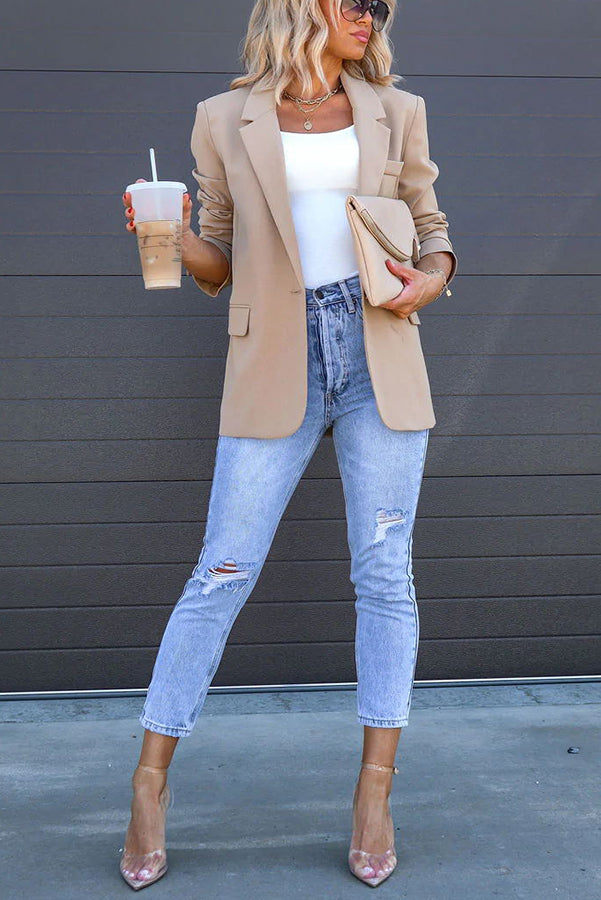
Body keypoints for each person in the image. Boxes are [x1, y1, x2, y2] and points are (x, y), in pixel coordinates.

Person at [120, 0, 458, 889]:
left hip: (378, 350)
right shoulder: (222, 117)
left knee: (384, 575)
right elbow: (219, 256)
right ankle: (149, 783)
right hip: (275, 353)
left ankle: (373, 792)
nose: (371, 15)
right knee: (221, 570)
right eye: (356, 1)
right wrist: (171, 237)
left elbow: (430, 230)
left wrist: (428, 281)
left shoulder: (396, 109)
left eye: (380, 6)